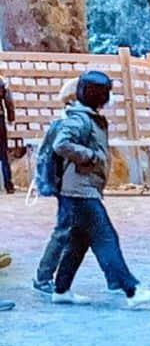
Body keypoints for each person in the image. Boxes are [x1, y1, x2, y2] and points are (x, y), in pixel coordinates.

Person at [50, 70, 150, 309]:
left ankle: (61, 289)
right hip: (80, 192)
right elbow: (61, 144)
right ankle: (131, 290)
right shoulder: (79, 119)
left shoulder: (89, 116)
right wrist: (89, 156)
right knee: (106, 238)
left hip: (82, 190)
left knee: (78, 242)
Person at [33, 77, 79, 296]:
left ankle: (117, 277)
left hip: (70, 185)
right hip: (68, 185)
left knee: (90, 232)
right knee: (65, 231)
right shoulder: (64, 123)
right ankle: (43, 277)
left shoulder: (65, 121)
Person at [0, 72, 16, 194]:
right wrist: (11, 117)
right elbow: (9, 100)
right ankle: (8, 184)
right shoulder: (2, 81)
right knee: (3, 153)